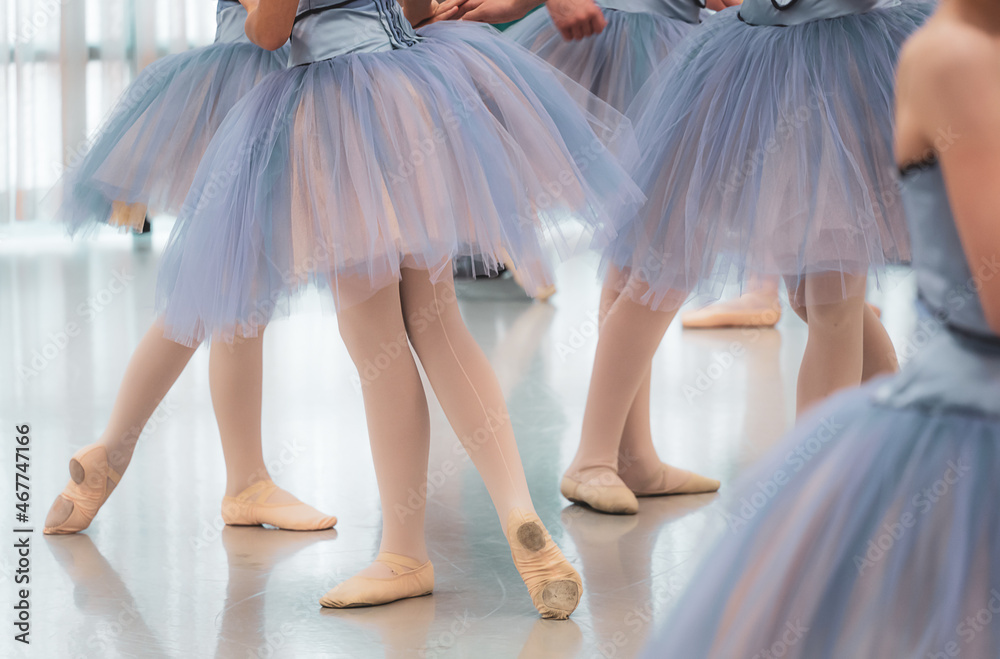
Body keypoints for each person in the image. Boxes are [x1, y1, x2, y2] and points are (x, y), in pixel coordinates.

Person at [153, 0, 643, 618]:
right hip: (411, 92)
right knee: (440, 324)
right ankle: (520, 509)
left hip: (334, 114)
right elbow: (414, 6)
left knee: (376, 343)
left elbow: (269, 32)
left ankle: (405, 554)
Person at [640, 1, 1000, 654]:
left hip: (827, 48)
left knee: (831, 301)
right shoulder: (953, 59)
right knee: (826, 298)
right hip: (795, 57)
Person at [559, 0, 934, 515]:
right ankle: (600, 456)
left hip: (832, 57)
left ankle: (849, 466)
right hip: (763, 56)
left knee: (826, 297)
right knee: (672, 260)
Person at [43, 1, 339, 536]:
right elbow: (269, 29)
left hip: (281, 85)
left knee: (238, 289)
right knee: (223, 282)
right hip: (256, 88)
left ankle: (234, 477)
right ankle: (133, 454)